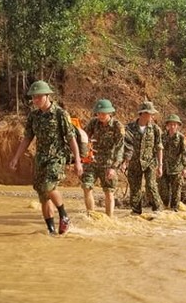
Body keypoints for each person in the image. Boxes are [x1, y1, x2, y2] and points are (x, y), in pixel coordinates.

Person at [9, 80, 83, 235]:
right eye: (34, 98)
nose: (35, 100)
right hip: (40, 159)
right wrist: (16, 157)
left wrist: (77, 160)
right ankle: (51, 231)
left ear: (47, 96)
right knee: (43, 196)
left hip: (56, 158)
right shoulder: (33, 116)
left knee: (48, 186)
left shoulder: (60, 114)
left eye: (39, 97)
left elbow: (71, 138)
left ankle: (64, 216)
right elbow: (27, 138)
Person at [80, 98, 125, 217]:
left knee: (109, 192)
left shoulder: (117, 126)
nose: (100, 115)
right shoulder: (93, 123)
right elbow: (84, 137)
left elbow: (120, 148)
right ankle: (91, 215)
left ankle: (109, 218)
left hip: (108, 164)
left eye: (103, 113)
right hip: (92, 162)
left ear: (110, 113)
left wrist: (114, 168)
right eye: (99, 113)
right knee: (86, 186)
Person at [121, 101, 164, 215]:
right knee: (135, 188)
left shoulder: (155, 129)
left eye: (152, 114)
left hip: (149, 162)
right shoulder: (129, 128)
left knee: (151, 186)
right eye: (150, 114)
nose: (152, 117)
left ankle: (158, 209)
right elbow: (124, 146)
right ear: (143, 114)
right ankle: (136, 211)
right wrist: (124, 162)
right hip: (134, 163)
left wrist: (160, 166)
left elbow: (159, 147)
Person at [159, 114, 186, 211]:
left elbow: (185, 153)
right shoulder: (162, 136)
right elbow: (157, 150)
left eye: (175, 125)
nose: (172, 126)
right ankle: (166, 208)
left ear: (177, 126)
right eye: (171, 124)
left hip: (177, 169)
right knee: (163, 191)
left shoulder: (181, 138)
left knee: (176, 193)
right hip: (164, 168)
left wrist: (185, 168)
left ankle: (174, 211)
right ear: (167, 125)